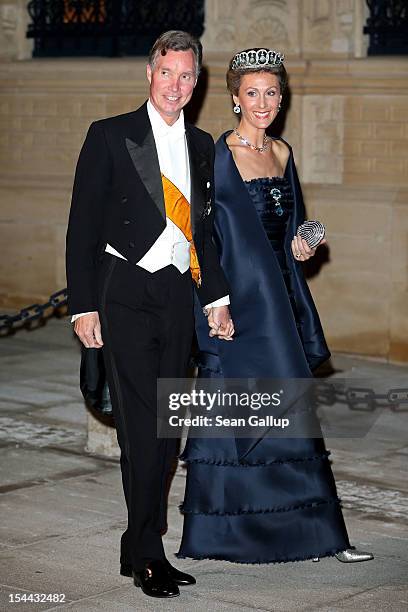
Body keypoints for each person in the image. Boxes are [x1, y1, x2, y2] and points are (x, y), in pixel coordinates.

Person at [177, 48, 373, 565]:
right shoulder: (215, 157)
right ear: (234, 98)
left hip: (278, 301)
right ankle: (216, 536)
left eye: (271, 93)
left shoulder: (283, 153)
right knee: (229, 420)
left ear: (281, 98)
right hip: (234, 305)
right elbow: (202, 239)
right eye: (251, 93)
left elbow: (291, 234)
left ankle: (320, 535)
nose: (262, 103)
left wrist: (303, 245)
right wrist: (214, 304)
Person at [66, 31, 234, 599]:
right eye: (168, 73)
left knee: (166, 431)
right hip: (124, 292)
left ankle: (134, 544)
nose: (177, 85)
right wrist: (82, 304)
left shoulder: (205, 145)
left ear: (197, 81)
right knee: (143, 427)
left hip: (177, 298)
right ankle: (148, 551)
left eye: (188, 76)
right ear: (149, 73)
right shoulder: (111, 136)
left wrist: (216, 298)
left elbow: (205, 235)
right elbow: (82, 227)